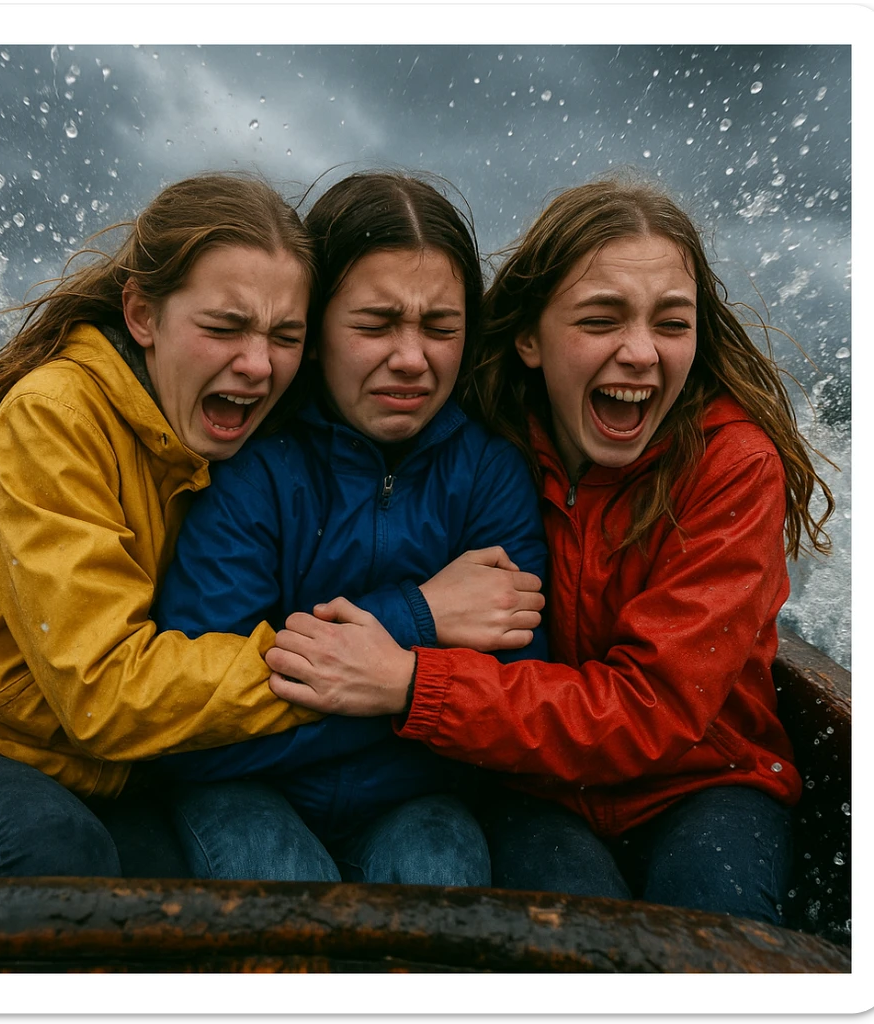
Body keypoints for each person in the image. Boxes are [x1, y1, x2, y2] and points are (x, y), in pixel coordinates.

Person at [259, 177, 836, 925]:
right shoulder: (486, 439)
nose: (639, 352)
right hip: (533, 783)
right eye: (600, 319)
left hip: (706, 778)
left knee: (708, 942)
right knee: (575, 937)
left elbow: (652, 712)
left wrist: (413, 683)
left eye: (671, 323)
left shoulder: (731, 467)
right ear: (528, 337)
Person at [0, 172, 326, 881]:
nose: (258, 364)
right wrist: (340, 675)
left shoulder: (250, 433)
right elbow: (105, 691)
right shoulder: (54, 416)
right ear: (142, 314)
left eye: (285, 335)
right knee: (59, 855)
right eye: (224, 326)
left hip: (130, 772)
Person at [152, 172, 549, 886]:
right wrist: (416, 627)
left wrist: (389, 682)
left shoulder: (491, 474)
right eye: (374, 324)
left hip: (418, 801)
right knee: (278, 880)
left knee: (442, 871)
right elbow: (191, 736)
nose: (411, 357)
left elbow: (517, 711)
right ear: (313, 332)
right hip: (246, 794)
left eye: (440, 327)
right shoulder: (248, 466)